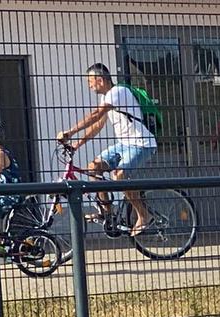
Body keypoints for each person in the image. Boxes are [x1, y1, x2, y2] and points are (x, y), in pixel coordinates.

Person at [56, 63, 156, 235]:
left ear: (100, 80)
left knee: (118, 175)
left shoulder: (118, 92)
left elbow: (96, 115)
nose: (89, 85)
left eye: (90, 81)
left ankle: (143, 215)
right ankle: (107, 214)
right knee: (93, 167)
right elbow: (97, 126)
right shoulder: (106, 98)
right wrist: (76, 145)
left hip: (141, 143)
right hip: (124, 144)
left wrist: (70, 132)